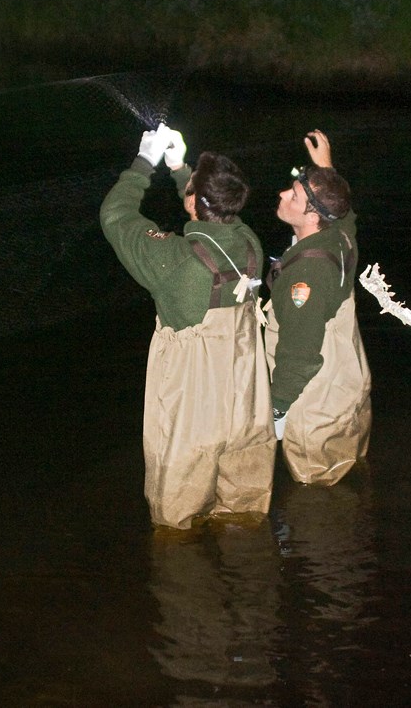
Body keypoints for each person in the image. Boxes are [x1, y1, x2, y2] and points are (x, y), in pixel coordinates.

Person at [100, 123, 276, 529]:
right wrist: (183, 168)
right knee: (244, 506)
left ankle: (184, 579)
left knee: (177, 509)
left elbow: (115, 214)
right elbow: (217, 214)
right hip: (245, 396)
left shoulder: (176, 262)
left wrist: (144, 163)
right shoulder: (250, 243)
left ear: (194, 200)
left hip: (194, 400)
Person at [265, 129, 372, 486]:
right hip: (349, 383)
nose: (282, 194)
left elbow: (300, 355)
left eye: (293, 195)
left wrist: (275, 409)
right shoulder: (339, 237)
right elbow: (347, 217)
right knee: (350, 474)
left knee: (317, 495)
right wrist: (325, 167)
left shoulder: (306, 278)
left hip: (317, 401)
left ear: (313, 216)